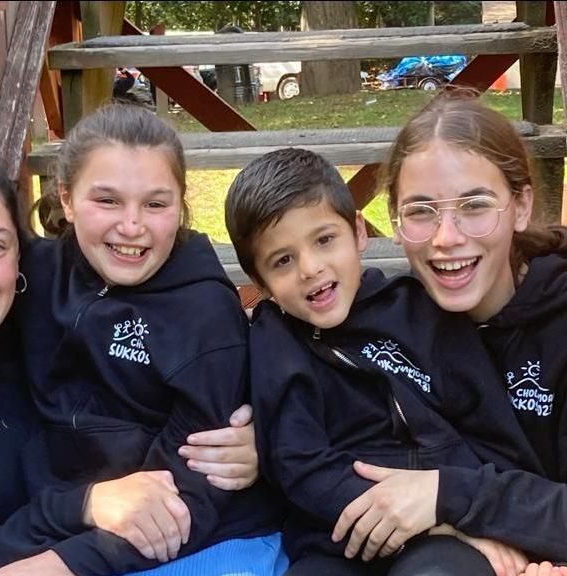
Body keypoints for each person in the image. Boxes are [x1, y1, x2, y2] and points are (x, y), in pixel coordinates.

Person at [0, 104, 286, 576]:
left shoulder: (32, 296)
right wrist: (79, 515)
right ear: (66, 199)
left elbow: (191, 487)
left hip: (196, 539)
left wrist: (269, 443)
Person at [223, 146, 548, 576]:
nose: (310, 268)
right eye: (282, 260)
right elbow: (298, 463)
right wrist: (432, 522)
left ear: (359, 232)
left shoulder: (420, 314)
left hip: (442, 533)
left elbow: (491, 431)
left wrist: (473, 517)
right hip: (339, 537)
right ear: (260, 282)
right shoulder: (275, 341)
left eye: (324, 240)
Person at [331, 93, 567, 575]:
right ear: (395, 222)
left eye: (474, 205)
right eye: (421, 211)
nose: (446, 238)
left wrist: (449, 495)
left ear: (521, 206)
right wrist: (257, 436)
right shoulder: (390, 321)